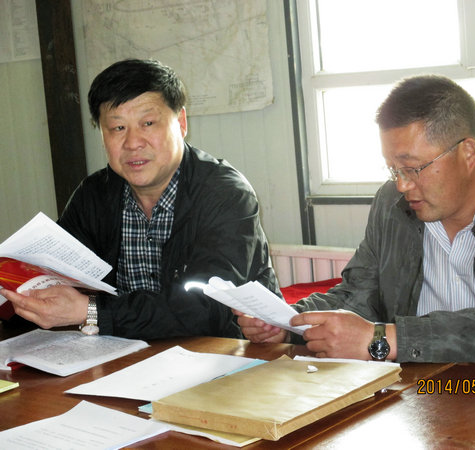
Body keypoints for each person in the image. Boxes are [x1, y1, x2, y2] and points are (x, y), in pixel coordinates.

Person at [236, 74, 475, 372]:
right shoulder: (392, 204)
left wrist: (382, 339)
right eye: (393, 169)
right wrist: (288, 321)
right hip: (422, 385)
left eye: (412, 168)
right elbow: (359, 293)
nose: (401, 185)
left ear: (468, 153)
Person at [1, 58, 280, 339]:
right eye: (118, 128)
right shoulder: (93, 195)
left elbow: (207, 309)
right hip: (120, 350)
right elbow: (55, 274)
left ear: (181, 123)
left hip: (220, 351)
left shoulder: (225, 194)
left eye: (148, 123)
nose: (133, 143)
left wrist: (92, 311)